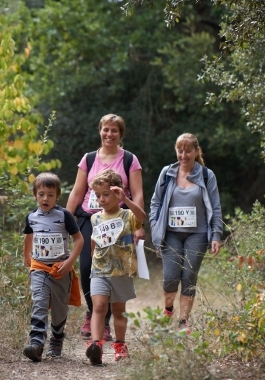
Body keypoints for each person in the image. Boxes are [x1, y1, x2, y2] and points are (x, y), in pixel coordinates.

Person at [66, 114, 145, 341]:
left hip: (119, 222)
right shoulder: (89, 159)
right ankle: (93, 311)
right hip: (90, 219)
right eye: (105, 129)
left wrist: (138, 227)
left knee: (114, 268)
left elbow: (138, 193)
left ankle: (106, 320)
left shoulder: (129, 159)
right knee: (87, 266)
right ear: (100, 131)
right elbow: (77, 192)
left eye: (114, 130)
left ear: (120, 134)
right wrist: (65, 219)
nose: (109, 134)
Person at [149, 133, 223, 331]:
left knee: (189, 275)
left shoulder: (206, 175)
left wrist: (216, 235)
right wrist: (155, 225)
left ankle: (184, 321)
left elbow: (215, 208)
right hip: (170, 233)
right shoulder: (167, 173)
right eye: (180, 150)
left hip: (197, 233)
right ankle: (168, 309)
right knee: (171, 276)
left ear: (196, 151)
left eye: (188, 150)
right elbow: (155, 202)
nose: (183, 155)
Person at [84, 169, 146, 365]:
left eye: (106, 194)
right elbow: (94, 239)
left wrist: (125, 200)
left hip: (121, 271)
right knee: (99, 306)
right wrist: (93, 253)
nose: (101, 199)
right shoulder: (95, 218)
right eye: (98, 195)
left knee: (119, 311)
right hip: (99, 270)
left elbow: (142, 217)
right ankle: (96, 345)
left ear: (117, 192)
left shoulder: (127, 215)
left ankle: (120, 345)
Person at [22, 173, 84, 362]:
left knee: (59, 309)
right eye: (41, 194)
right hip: (39, 267)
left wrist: (69, 262)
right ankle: (36, 343)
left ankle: (57, 339)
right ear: (35, 195)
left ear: (57, 196)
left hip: (60, 269)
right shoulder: (31, 217)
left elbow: (79, 240)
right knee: (39, 302)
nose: (45, 198)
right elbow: (28, 236)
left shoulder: (64, 215)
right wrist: (27, 256)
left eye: (50, 194)